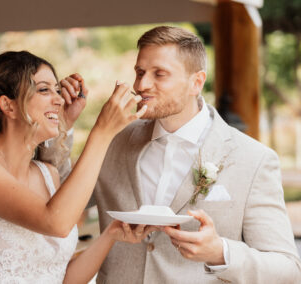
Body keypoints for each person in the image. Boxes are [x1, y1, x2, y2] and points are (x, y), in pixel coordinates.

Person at [45, 26, 301, 283]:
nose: (142, 85)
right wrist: (62, 126)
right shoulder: (113, 139)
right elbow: (59, 199)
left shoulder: (253, 159)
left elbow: (287, 269)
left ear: (196, 82)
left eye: (160, 74)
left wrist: (220, 252)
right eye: (140, 72)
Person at [0, 50, 154, 283]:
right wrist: (102, 132)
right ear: (9, 105)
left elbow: (61, 277)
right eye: (44, 89)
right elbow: (55, 222)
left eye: (57, 90)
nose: (58, 99)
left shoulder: (48, 174)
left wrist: (111, 234)